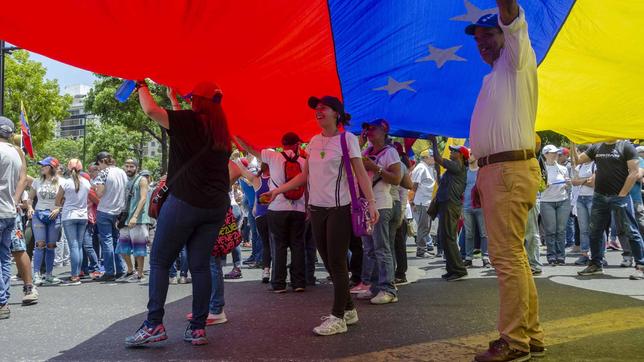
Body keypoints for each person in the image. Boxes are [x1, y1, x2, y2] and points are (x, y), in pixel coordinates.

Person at [467, 1, 546, 360]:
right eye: (477, 38)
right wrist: (481, 177)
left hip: (507, 171)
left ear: (505, 34)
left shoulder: (516, 60)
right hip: (498, 172)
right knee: (515, 258)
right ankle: (529, 335)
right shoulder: (498, 74)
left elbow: (511, 14)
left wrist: (490, 173)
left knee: (508, 258)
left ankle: (514, 342)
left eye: (489, 34)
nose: (482, 42)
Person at [125, 81, 231, 347]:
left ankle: (153, 324)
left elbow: (150, 110)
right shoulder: (221, 131)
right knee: (199, 265)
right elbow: (184, 135)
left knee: (160, 261)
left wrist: (139, 84)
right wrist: (174, 103)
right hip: (215, 206)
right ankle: (197, 329)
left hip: (185, 200)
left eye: (193, 96)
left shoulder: (189, 121)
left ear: (198, 101)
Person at [262, 95, 378, 336]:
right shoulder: (313, 142)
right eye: (316, 109)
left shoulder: (347, 139)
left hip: (340, 209)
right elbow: (305, 177)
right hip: (315, 210)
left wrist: (373, 203)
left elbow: (360, 174)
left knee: (336, 261)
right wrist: (277, 190)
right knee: (327, 261)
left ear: (336, 113)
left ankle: (338, 317)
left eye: (323, 107)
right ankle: (348, 309)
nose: (318, 111)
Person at [236, 132, 307, 293]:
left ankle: (279, 283)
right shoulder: (303, 161)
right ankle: (299, 282)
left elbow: (251, 149)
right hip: (299, 208)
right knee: (297, 245)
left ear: (282, 144)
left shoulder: (272, 156)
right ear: (297, 145)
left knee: (279, 245)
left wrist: (238, 137)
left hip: (277, 207)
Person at [574, 141, 644, 280]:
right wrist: (572, 143)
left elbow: (635, 172)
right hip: (600, 196)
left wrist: (622, 194)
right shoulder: (596, 147)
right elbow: (577, 160)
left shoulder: (626, 146)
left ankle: (640, 266)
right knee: (595, 231)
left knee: (631, 231)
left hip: (619, 197)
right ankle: (595, 265)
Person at [353, 119, 402, 305]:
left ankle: (388, 289)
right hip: (366, 206)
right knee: (370, 250)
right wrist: (360, 143)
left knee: (382, 249)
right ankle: (374, 287)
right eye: (367, 129)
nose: (369, 131)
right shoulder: (365, 152)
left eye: (373, 129)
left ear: (384, 131)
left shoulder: (391, 152)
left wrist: (375, 168)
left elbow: (397, 178)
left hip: (382, 204)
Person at [0, 116, 28, 319]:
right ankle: (3, 301)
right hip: (9, 210)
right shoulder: (16, 153)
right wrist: (15, 201)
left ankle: (2, 301)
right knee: (3, 258)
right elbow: (23, 179)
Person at [429, 137, 468, 281]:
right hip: (447, 204)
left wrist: (433, 141)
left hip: (450, 205)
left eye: (454, 151)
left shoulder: (457, 166)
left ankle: (458, 270)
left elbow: (438, 158)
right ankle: (452, 269)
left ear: (461, 156)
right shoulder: (453, 169)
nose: (451, 152)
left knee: (449, 238)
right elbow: (441, 183)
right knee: (446, 238)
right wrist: (438, 171)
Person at [93, 151, 128, 282]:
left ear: (102, 161)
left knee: (106, 241)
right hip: (119, 211)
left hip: (105, 210)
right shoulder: (121, 172)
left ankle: (109, 271)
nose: (98, 167)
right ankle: (121, 269)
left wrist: (95, 188)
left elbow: (100, 193)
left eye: (98, 164)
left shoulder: (103, 173)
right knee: (116, 240)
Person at [55, 159, 91, 286]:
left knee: (73, 246)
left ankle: (75, 275)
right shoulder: (87, 182)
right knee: (79, 245)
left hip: (69, 216)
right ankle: (77, 273)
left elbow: (57, 201)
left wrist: (64, 201)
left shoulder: (65, 183)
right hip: (83, 216)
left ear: (69, 169)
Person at [29, 156, 63, 286]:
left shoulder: (61, 181)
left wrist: (58, 209)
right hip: (39, 215)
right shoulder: (37, 181)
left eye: (44, 165)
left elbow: (66, 199)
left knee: (51, 246)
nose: (42, 167)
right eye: (42, 165)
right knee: (40, 245)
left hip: (54, 216)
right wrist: (30, 208)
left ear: (52, 168)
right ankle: (36, 275)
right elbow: (30, 198)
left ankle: (49, 275)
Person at [236, 161, 272, 283]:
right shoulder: (277, 178)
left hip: (261, 215)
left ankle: (266, 271)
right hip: (275, 213)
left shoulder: (257, 180)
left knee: (266, 244)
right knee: (277, 245)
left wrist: (237, 161)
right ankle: (278, 271)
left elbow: (243, 171)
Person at [115, 159, 150, 283]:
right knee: (122, 247)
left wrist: (135, 216)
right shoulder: (126, 181)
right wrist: (119, 218)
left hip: (139, 220)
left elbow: (143, 198)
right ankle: (130, 270)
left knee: (139, 248)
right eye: (127, 166)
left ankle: (140, 274)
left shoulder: (142, 180)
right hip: (125, 219)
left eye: (131, 166)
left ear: (137, 167)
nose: (129, 168)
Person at [540, 144, 572, 265]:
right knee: (550, 230)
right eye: (552, 153)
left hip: (563, 200)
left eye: (556, 153)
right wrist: (544, 186)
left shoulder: (562, 168)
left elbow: (568, 184)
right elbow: (537, 188)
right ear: (545, 154)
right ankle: (551, 256)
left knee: (561, 230)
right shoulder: (541, 170)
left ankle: (561, 256)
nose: (555, 155)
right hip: (547, 202)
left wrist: (568, 183)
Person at [463, 153, 490, 268]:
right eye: (468, 155)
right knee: (469, 234)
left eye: (471, 154)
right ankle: (468, 258)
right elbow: (461, 191)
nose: (469, 156)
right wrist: (460, 208)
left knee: (484, 234)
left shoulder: (483, 171)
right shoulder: (464, 172)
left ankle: (486, 257)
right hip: (466, 207)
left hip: (481, 207)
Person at [571, 145, 596, 266]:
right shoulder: (579, 166)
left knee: (596, 229)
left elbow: (593, 183)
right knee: (583, 229)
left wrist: (580, 181)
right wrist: (586, 180)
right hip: (580, 199)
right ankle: (585, 254)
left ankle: (598, 254)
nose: (580, 156)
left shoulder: (595, 164)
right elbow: (574, 182)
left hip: (593, 198)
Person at [410, 149, 437, 257]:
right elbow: (414, 185)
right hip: (422, 201)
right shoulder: (421, 168)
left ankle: (423, 248)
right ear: (425, 157)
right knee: (423, 227)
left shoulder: (427, 168)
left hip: (427, 201)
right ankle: (421, 250)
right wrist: (412, 201)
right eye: (431, 156)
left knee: (426, 227)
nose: (433, 158)